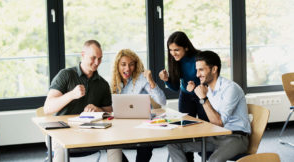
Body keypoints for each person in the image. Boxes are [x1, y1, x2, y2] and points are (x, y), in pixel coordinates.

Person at [168, 50, 251, 162]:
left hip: (235, 137)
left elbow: (218, 122)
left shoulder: (230, 89)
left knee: (213, 160)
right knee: (174, 144)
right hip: (215, 136)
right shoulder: (208, 89)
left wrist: (203, 98)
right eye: (197, 70)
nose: (197, 74)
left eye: (201, 70)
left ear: (214, 69)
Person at [43, 40, 112, 162]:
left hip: (91, 132)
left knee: (115, 145)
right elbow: (47, 108)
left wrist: (98, 110)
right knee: (60, 146)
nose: (97, 62)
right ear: (83, 54)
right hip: (62, 131)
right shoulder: (65, 75)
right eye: (93, 58)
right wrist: (71, 95)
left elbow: (109, 111)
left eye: (100, 58)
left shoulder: (103, 84)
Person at [107, 49, 166, 162]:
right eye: (123, 64)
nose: (127, 68)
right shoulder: (114, 83)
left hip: (144, 126)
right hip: (123, 126)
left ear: (136, 65)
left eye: (131, 64)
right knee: (107, 144)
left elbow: (162, 101)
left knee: (145, 147)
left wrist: (151, 80)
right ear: (117, 66)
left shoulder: (141, 79)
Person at [159, 31, 208, 161]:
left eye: (176, 50)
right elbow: (175, 87)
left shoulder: (199, 58)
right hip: (186, 96)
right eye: (170, 50)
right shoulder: (175, 60)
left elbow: (209, 83)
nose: (173, 53)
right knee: (185, 130)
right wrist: (166, 80)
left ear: (186, 47)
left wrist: (195, 87)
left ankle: (206, 155)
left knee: (206, 128)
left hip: (202, 97)